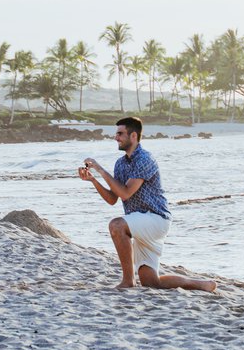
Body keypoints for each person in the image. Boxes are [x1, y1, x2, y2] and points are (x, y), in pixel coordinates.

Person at [78, 116, 216, 292]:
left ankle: (127, 281)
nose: (116, 138)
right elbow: (114, 198)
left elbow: (126, 193)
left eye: (120, 134)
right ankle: (203, 284)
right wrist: (93, 180)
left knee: (117, 225)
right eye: (116, 134)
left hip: (156, 219)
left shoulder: (145, 159)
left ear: (133, 136)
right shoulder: (120, 164)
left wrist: (99, 168)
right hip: (139, 222)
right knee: (151, 282)